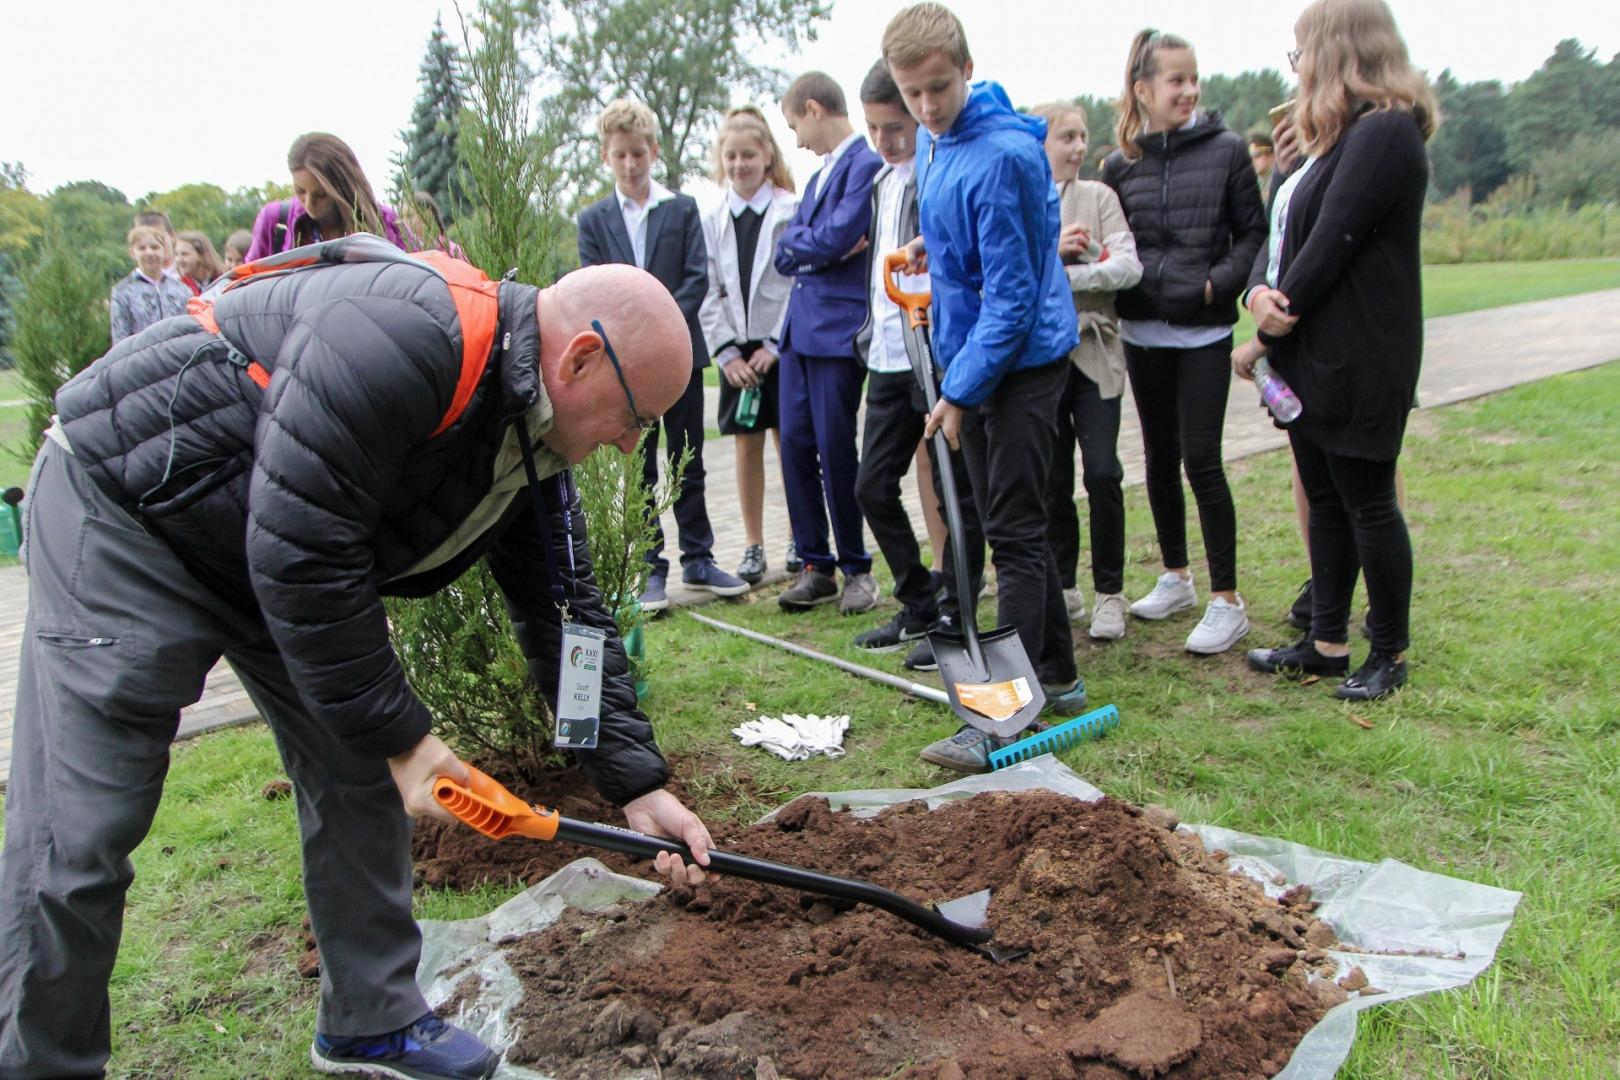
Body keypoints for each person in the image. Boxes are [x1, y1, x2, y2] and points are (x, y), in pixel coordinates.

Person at [0, 237, 715, 1079]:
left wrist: (638, 784)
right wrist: (407, 740)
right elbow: (303, 546)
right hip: (131, 515)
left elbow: (569, 616)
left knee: (357, 770)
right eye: (634, 418)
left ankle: (370, 1021)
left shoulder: (530, 433)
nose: (633, 445)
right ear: (583, 357)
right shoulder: (406, 334)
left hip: (265, 544)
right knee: (81, 830)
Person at [884, 3, 1087, 773]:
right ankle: (1059, 674)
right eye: (913, 95)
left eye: (940, 88)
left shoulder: (1004, 155)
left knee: (1014, 531)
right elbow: (961, 230)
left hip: (1023, 360)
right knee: (1001, 520)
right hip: (977, 353)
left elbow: (1012, 298)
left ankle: (1007, 715)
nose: (928, 108)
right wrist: (925, 243)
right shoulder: (938, 145)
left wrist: (960, 392)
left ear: (968, 69)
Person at [1242, 0, 1435, 701]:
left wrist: (1265, 332)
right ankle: (1326, 641)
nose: (1296, 69)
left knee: (1369, 503)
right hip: (1319, 354)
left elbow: (1332, 245)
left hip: (1364, 356)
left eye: (1300, 53)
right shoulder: (1342, 139)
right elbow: (1290, 235)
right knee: (1325, 499)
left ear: (1336, 49)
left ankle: (1389, 653)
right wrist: (1262, 295)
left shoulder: (1386, 132)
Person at [1101, 29, 1268, 655]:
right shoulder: (1119, 165)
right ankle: (1177, 576)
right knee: (1159, 459)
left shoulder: (1226, 150)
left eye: (1193, 78)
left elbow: (1253, 235)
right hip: (1142, 333)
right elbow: (1119, 246)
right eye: (1176, 79)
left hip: (1204, 332)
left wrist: (1213, 286)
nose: (1189, 89)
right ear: (1143, 90)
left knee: (1202, 459)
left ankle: (1228, 599)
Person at [578, 98, 749, 610]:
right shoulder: (593, 220)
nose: (631, 165)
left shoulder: (681, 209)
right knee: (640, 468)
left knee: (687, 457)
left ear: (653, 150)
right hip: (624, 371)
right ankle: (651, 567)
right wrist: (630, 340)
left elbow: (696, 276)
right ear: (607, 157)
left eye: (638, 153)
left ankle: (699, 558)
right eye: (620, 155)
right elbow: (592, 289)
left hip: (682, 359)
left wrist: (659, 329)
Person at [849, 58, 986, 664]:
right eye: (874, 128)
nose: (885, 140)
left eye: (894, 126)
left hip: (933, 350)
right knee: (872, 485)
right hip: (885, 354)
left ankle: (959, 611)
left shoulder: (937, 172)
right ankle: (919, 603)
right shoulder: (881, 182)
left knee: (957, 490)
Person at [773, 71, 884, 614]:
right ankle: (814, 564)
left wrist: (813, 246)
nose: (796, 140)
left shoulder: (867, 164)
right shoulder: (817, 180)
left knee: (836, 446)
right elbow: (784, 249)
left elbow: (844, 235)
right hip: (797, 330)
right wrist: (816, 247)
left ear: (815, 109)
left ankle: (857, 568)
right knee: (794, 443)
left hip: (839, 329)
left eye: (796, 126)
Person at [1031, 102, 1142, 643]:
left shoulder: (1100, 198)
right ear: (1041, 144)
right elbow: (1017, 273)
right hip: (1043, 358)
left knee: (1101, 471)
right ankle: (1067, 585)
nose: (1077, 147)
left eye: (1082, 136)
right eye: (1065, 137)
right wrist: (1056, 260)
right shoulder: (1026, 201)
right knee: (1052, 477)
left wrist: (1081, 261)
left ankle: (1110, 593)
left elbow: (1128, 267)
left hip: (1096, 355)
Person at [698, 106, 800, 586]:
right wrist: (727, 355)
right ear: (722, 160)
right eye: (731, 156)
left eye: (749, 155)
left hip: (781, 345)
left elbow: (799, 282)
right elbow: (708, 289)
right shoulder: (711, 217)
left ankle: (802, 535)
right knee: (746, 446)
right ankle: (755, 545)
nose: (740, 164)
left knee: (790, 443)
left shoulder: (790, 208)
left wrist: (776, 345)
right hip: (737, 354)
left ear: (767, 156)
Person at [246, 132, 405, 259]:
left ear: (343, 188)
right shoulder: (275, 220)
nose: (309, 203)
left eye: (321, 194)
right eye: (300, 191)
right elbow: (244, 283)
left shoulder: (386, 222)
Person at [108, 224, 191, 344]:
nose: (149, 252)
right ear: (132, 252)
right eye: (142, 248)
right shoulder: (122, 290)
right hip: (142, 358)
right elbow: (120, 337)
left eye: (155, 247)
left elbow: (189, 330)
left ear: (165, 250)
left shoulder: (182, 290)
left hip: (177, 356)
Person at [401, 189, 468, 261]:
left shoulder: (453, 252)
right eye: (402, 217)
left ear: (427, 214)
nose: (405, 222)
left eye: (410, 216)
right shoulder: (407, 255)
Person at [174, 229, 227, 293]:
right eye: (176, 254)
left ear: (201, 255)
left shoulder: (223, 279)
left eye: (185, 254)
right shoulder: (179, 286)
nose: (179, 260)